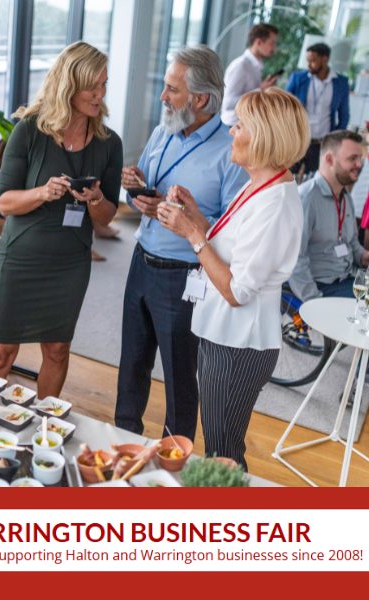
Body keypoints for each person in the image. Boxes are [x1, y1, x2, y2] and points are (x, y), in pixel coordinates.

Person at [157, 88, 309, 468]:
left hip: (238, 344)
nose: (231, 131)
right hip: (224, 335)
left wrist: (193, 235)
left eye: (239, 125)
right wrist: (195, 216)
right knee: (219, 443)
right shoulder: (260, 183)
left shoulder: (275, 204)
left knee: (223, 451)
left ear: (263, 136)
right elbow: (234, 247)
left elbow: (238, 291)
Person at [115, 46, 248, 439]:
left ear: (201, 99)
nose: (163, 97)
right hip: (141, 263)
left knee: (179, 378)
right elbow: (142, 200)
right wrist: (135, 191)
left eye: (172, 89)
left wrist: (185, 219)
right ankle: (122, 441)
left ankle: (175, 458)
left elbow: (231, 233)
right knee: (131, 365)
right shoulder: (163, 132)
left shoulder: (231, 152)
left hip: (185, 278)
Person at [0, 42, 122, 399]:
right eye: (92, 87)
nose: (100, 94)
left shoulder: (109, 144)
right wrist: (42, 193)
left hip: (70, 263)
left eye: (104, 85)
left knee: (57, 351)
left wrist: (95, 199)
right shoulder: (28, 131)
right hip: (21, 259)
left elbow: (108, 215)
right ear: (69, 85)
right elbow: (5, 202)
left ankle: (45, 422)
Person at [289, 130, 367, 301]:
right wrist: (315, 302)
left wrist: (363, 256)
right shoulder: (306, 198)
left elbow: (352, 243)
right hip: (322, 287)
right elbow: (295, 261)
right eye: (352, 159)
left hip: (348, 278)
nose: (359, 164)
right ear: (330, 159)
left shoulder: (346, 198)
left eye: (360, 159)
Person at [287, 42, 350, 176]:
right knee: (285, 176)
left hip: (321, 144)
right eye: (308, 61)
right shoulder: (298, 78)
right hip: (297, 140)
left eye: (313, 61)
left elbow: (344, 115)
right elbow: (284, 105)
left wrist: (335, 139)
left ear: (325, 59)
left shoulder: (341, 82)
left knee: (313, 180)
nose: (309, 65)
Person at [221, 23, 280, 126]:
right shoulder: (241, 66)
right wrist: (260, 90)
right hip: (232, 126)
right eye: (272, 44)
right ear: (258, 42)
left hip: (244, 126)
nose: (274, 49)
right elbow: (228, 103)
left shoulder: (255, 66)